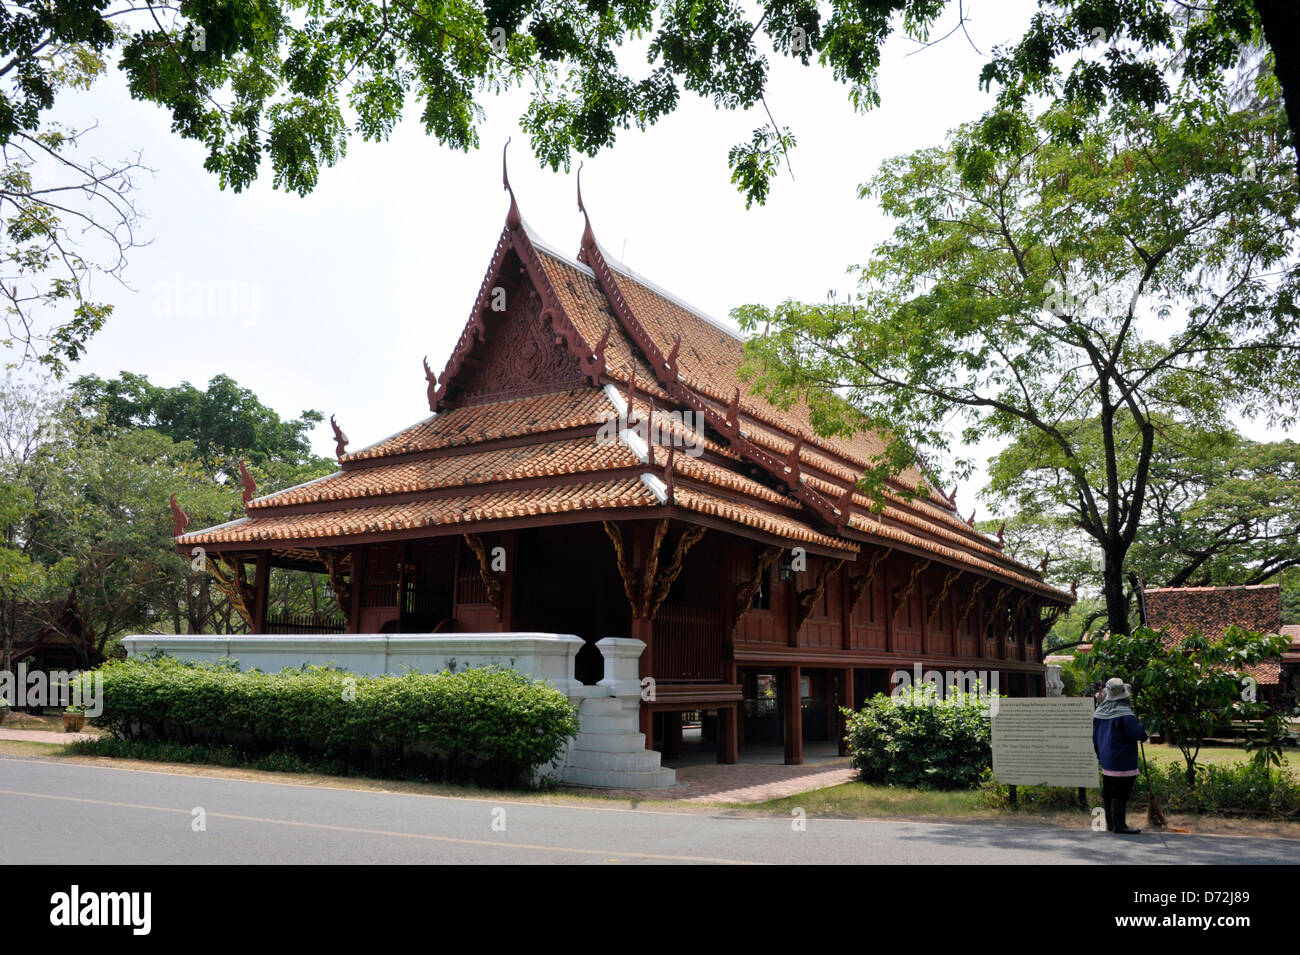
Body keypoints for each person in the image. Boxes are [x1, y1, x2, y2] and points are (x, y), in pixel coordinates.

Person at [1092, 677, 1149, 835]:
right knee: (1121, 792)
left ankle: (1110, 823)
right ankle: (1120, 825)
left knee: (1109, 791)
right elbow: (1137, 735)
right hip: (1123, 760)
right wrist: (1141, 726)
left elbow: (1095, 738)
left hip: (1106, 760)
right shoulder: (1125, 714)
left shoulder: (1099, 712)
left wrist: (1100, 755)